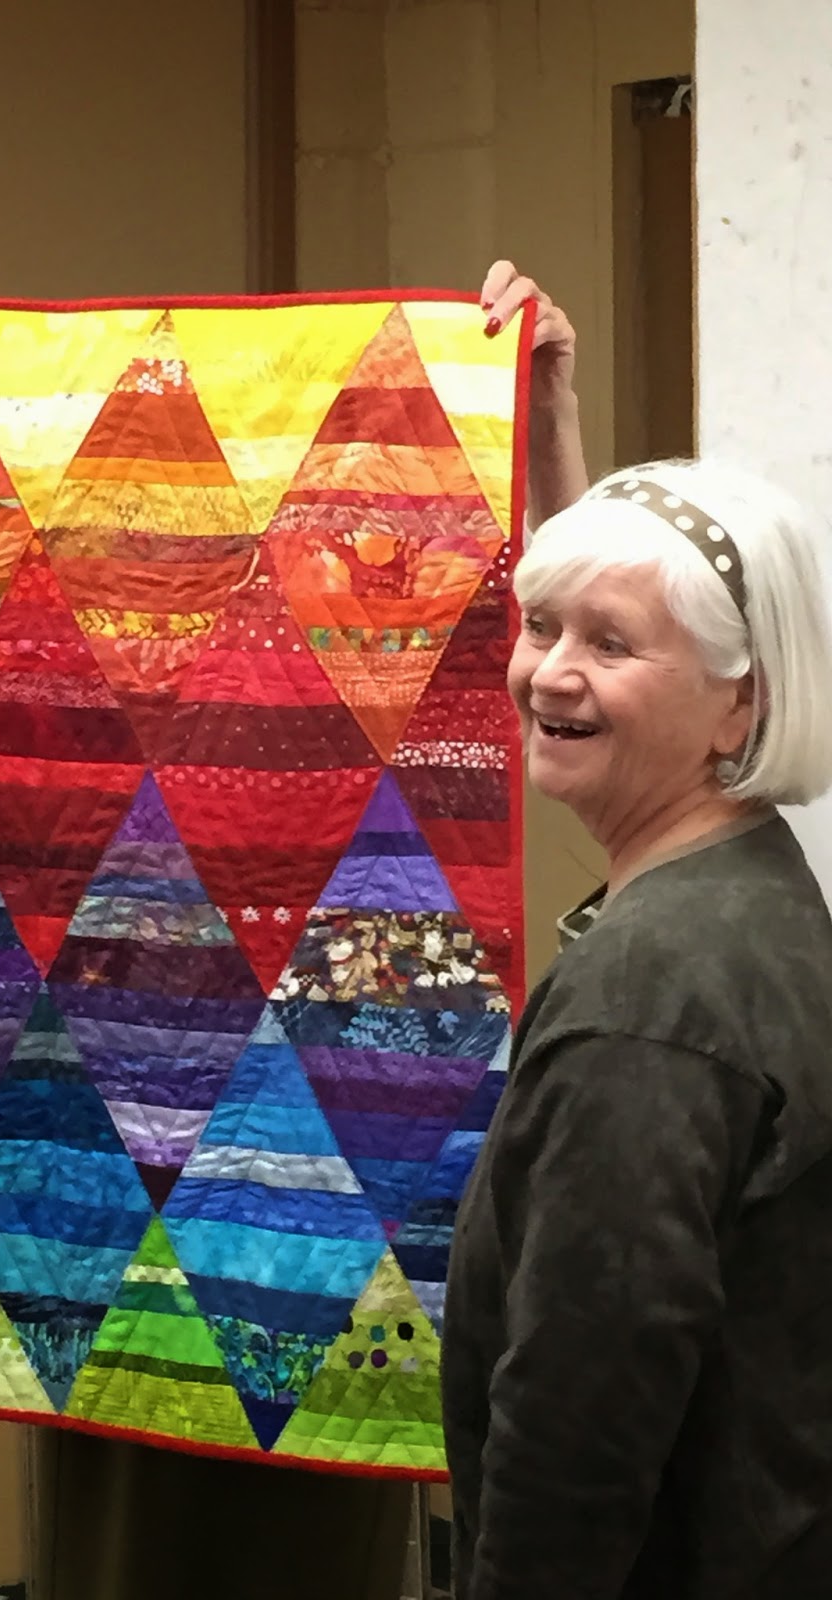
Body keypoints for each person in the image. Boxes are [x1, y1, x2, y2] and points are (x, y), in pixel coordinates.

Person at [441, 263, 832, 1597]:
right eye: (538, 625)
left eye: (606, 641)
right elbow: (615, 701)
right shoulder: (750, 890)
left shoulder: (654, 998)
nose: (548, 669)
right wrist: (555, 431)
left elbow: (577, 1429)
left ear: (741, 707)